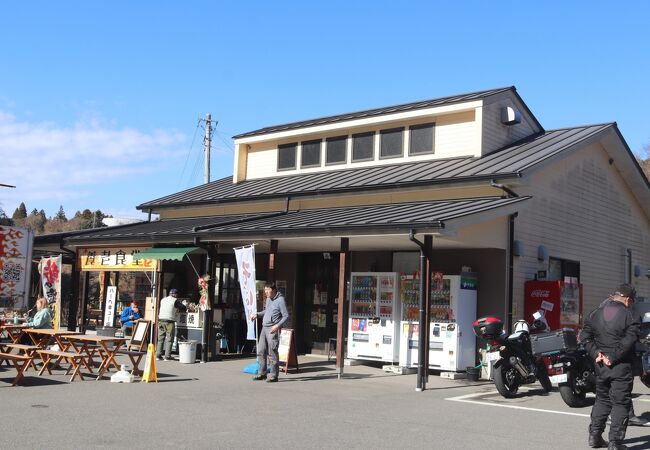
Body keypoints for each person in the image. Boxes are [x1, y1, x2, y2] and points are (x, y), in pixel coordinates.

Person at [580, 283, 640, 450]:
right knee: (621, 403)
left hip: (600, 365)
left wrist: (596, 353)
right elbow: (629, 341)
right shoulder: (630, 316)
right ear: (627, 300)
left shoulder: (595, 313)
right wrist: (611, 357)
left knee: (602, 399)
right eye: (632, 301)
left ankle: (595, 437)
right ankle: (615, 442)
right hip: (620, 365)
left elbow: (584, 336)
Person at [249, 282, 289, 382]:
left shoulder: (280, 300)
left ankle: (274, 375)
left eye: (268, 290)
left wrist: (277, 326)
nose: (266, 292)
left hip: (272, 329)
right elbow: (266, 312)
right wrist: (257, 314)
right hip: (264, 328)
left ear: (274, 290)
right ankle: (262, 373)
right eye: (265, 290)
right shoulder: (268, 299)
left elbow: (286, 316)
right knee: (261, 351)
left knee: (272, 352)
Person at [156, 289, 187, 361]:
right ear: (175, 294)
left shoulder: (163, 300)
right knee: (169, 339)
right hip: (169, 321)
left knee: (160, 339)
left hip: (161, 320)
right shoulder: (175, 300)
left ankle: (158, 355)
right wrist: (184, 305)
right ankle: (167, 356)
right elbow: (183, 308)